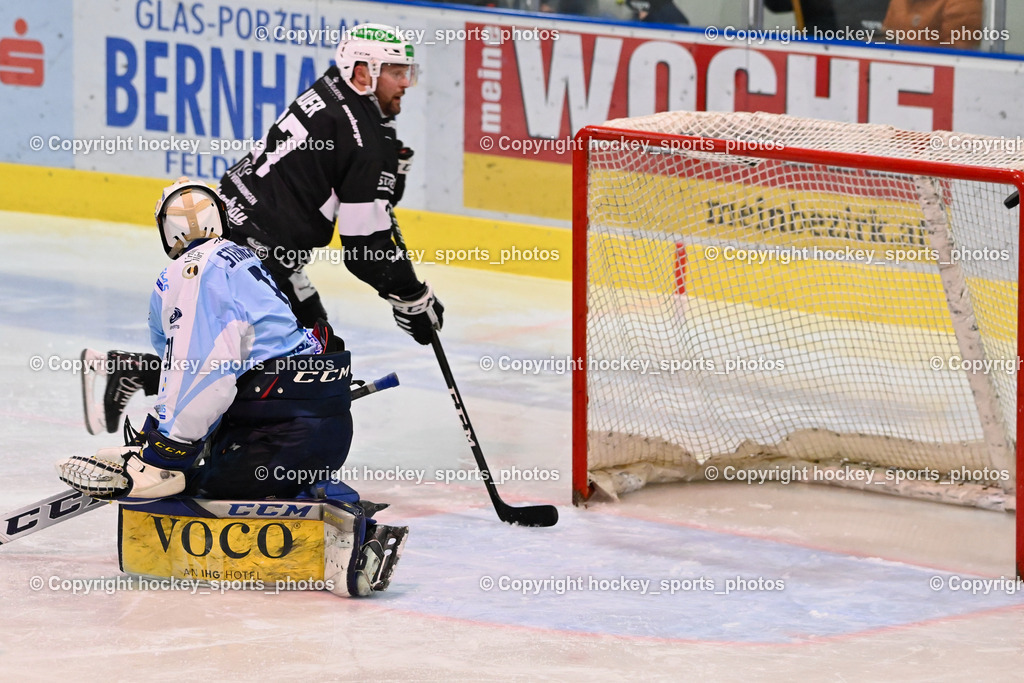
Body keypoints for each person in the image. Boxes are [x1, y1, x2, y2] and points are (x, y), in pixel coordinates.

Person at [80, 24, 443, 436]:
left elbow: (346, 185)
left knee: (309, 347)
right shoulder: (366, 138)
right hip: (254, 254)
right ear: (363, 73)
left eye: (407, 72)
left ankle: (138, 375)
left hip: (235, 232)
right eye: (396, 72)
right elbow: (365, 247)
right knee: (307, 362)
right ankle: (209, 446)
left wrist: (385, 176)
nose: (405, 83)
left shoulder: (331, 90)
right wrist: (411, 296)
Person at [58, 178, 405, 595]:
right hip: (322, 433)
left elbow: (202, 374)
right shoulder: (240, 259)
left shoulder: (187, 273)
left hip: (273, 439)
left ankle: (352, 535)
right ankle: (326, 502)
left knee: (188, 491)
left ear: (167, 233)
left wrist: (165, 453)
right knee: (221, 471)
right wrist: (157, 433)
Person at [882, 0, 982, 49]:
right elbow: (886, 36)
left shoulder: (963, 3)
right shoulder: (900, 2)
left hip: (939, 79)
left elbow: (960, 58)